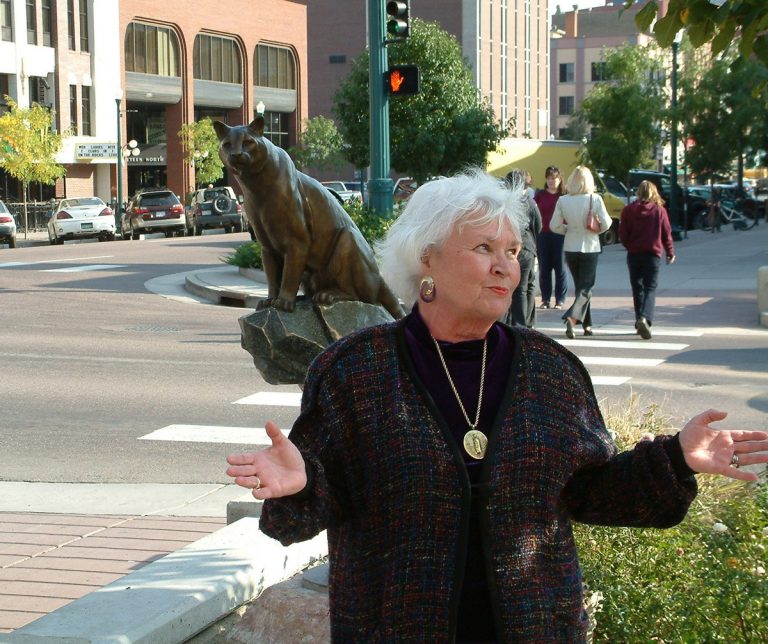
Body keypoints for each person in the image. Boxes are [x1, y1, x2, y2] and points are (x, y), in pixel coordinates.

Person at [226, 169, 768, 642]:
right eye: (483, 248)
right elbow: (317, 504)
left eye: (511, 251)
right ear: (427, 259)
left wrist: (675, 458)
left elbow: (592, 490)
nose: (505, 266)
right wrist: (303, 484)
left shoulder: (552, 370)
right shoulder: (355, 371)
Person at [550, 165, 612, 338]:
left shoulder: (563, 200)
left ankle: (587, 325)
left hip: (571, 246)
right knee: (586, 288)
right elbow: (607, 224)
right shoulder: (595, 198)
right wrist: (594, 230)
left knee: (581, 288)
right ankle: (572, 317)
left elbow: (554, 226)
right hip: (590, 246)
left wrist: (569, 229)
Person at [619, 180, 676, 340]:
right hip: (652, 254)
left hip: (634, 253)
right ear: (654, 192)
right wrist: (670, 252)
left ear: (638, 192)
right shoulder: (659, 211)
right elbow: (666, 233)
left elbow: (622, 233)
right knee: (650, 288)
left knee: (637, 288)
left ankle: (639, 320)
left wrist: (629, 245)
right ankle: (645, 318)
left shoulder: (628, 210)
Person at [504, 169, 541, 327]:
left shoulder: (501, 201)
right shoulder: (528, 201)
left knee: (505, 286)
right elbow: (537, 225)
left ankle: (504, 322)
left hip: (506, 249)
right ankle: (521, 325)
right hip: (525, 248)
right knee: (522, 288)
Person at [534, 165, 568, 310]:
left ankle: (560, 300)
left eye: (554, 178)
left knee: (560, 268)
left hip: (560, 235)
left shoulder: (565, 195)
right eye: (548, 178)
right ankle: (546, 299)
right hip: (543, 234)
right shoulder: (540, 195)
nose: (551, 181)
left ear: (560, 179)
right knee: (544, 268)